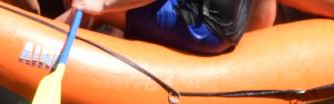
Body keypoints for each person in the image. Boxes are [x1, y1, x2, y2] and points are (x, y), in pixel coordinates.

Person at [46, 0, 271, 55]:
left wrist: (103, 5)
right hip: (228, 31)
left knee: (87, 7)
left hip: (200, 30)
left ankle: (43, 47)